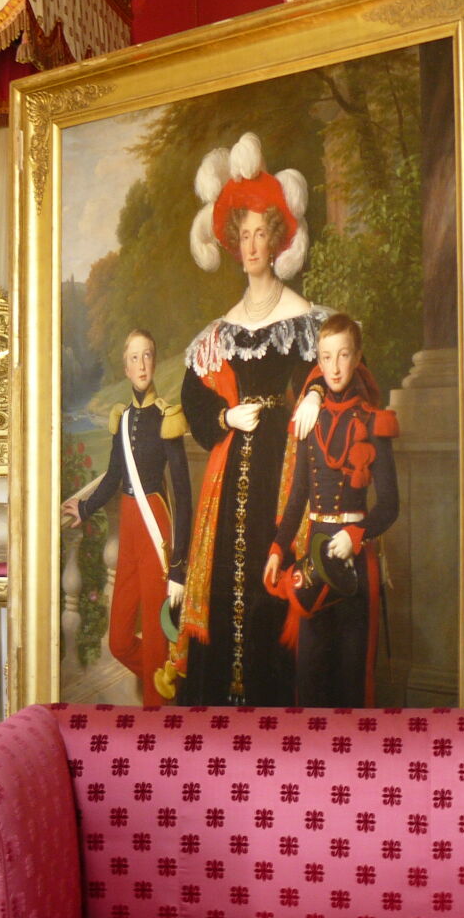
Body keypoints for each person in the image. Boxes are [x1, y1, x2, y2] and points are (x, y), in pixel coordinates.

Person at [172, 132, 331, 707]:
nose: (253, 244)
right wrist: (224, 416)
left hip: (285, 474)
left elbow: (335, 375)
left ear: (280, 238)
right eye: (244, 235)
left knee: (275, 588)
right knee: (223, 590)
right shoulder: (219, 332)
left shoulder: (307, 321)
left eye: (263, 232)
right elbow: (192, 401)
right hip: (229, 472)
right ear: (234, 245)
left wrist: (313, 395)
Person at [265, 312, 399, 708]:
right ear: (318, 362)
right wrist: (277, 548)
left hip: (356, 562)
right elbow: (297, 496)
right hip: (314, 556)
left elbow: (391, 506)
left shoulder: (376, 423)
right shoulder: (311, 419)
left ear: (357, 357)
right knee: (309, 677)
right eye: (327, 357)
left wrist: (356, 535)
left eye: (343, 355)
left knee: (351, 678)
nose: (336, 366)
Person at [62, 330, 191, 706]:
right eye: (134, 358)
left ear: (154, 360)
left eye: (147, 356)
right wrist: (84, 508)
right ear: (125, 366)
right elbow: (115, 476)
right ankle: (170, 681)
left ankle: (158, 716)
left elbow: (183, 497)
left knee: (154, 633)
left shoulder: (168, 418)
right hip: (130, 527)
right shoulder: (120, 418)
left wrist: (179, 569)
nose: (142, 365)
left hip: (156, 527)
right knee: (119, 641)